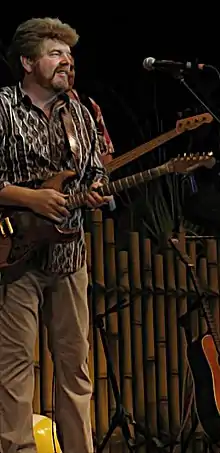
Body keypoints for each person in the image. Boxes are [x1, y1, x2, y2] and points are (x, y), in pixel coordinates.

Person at [0, 17, 112, 453]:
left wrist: (97, 194)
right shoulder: (4, 107)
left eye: (68, 54)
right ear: (28, 62)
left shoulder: (80, 114)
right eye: (55, 53)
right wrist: (31, 199)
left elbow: (94, 174)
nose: (67, 62)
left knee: (76, 369)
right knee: (13, 369)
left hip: (70, 256)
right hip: (14, 257)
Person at [66, 56, 114, 165]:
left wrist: (105, 176)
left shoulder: (88, 104)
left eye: (71, 68)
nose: (69, 74)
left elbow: (106, 149)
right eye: (62, 70)